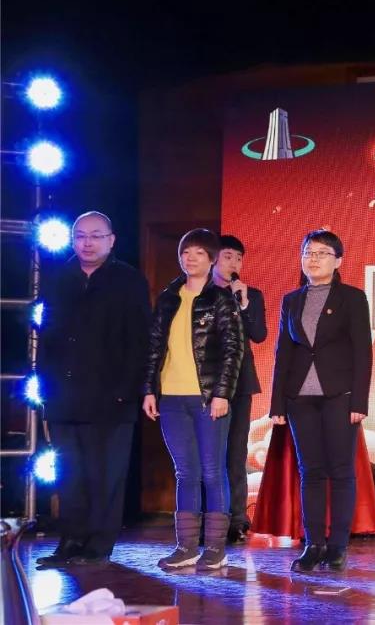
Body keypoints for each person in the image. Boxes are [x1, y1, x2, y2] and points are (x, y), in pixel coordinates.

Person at [36, 211, 151, 567]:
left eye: (96, 235)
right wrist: (45, 382)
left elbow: (140, 340)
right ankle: (70, 540)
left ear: (111, 240)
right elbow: (46, 335)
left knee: (106, 474)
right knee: (69, 473)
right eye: (81, 236)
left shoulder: (128, 280)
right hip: (63, 394)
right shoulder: (59, 277)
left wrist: (127, 389)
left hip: (111, 395)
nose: (87, 243)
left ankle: (99, 545)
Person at [267, 230, 375, 572]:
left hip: (339, 396)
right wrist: (277, 404)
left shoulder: (352, 298)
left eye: (322, 253)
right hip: (299, 398)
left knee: (341, 471)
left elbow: (363, 352)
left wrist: (359, 401)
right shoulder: (291, 300)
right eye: (308, 253)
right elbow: (283, 354)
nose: (313, 259)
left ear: (338, 261)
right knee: (310, 471)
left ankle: (338, 545)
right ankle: (313, 544)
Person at [143, 229, 243, 571]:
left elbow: (233, 351)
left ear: (212, 259)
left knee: (212, 471)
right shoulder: (168, 297)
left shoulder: (221, 299)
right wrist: (149, 389)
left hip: (207, 397)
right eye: (186, 252)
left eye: (199, 253)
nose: (191, 258)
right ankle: (186, 547)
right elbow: (153, 347)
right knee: (185, 472)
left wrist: (222, 394)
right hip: (171, 397)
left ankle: (215, 548)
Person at [211, 235, 267, 544]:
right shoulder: (200, 294)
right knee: (210, 453)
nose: (233, 263)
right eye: (227, 256)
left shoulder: (250, 295)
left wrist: (243, 305)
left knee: (235, 452)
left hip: (240, 383)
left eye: (238, 258)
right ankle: (209, 517)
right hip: (206, 384)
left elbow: (259, 334)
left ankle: (236, 519)